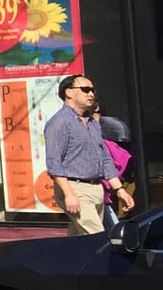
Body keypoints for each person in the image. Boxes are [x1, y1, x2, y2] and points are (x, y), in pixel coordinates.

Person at [44, 74, 126, 235]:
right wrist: (69, 194)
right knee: (97, 237)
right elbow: (54, 163)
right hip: (75, 187)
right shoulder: (59, 122)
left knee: (79, 240)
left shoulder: (93, 123)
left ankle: (66, 260)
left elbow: (105, 158)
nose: (91, 94)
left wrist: (120, 189)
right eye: (85, 90)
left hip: (96, 188)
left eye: (92, 90)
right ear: (69, 93)